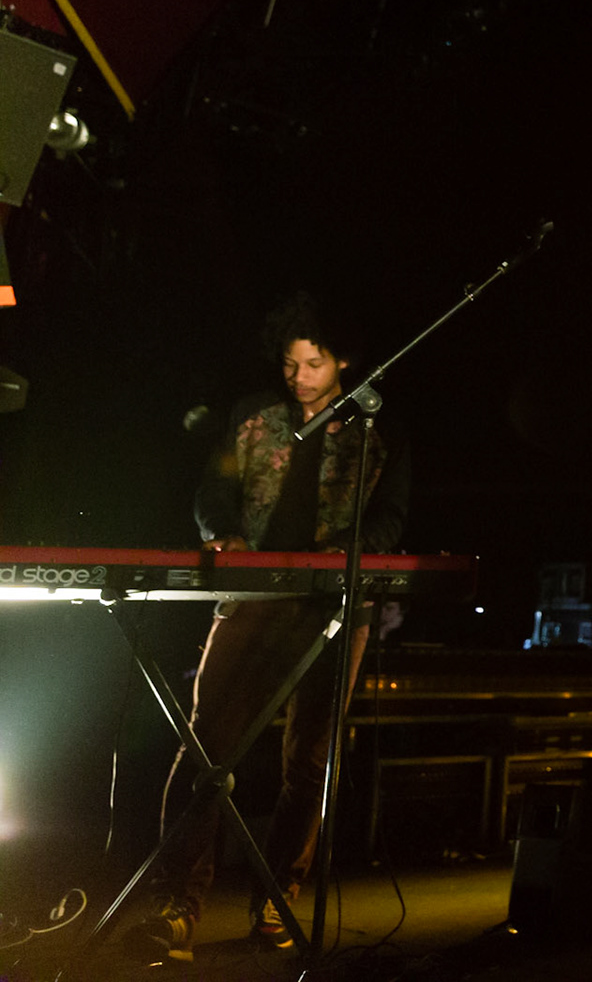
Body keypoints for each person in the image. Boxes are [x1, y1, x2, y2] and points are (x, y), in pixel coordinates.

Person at [130, 293, 409, 963]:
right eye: (289, 364)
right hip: (251, 596)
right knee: (207, 750)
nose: (299, 377)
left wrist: (342, 561)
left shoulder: (378, 430)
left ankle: (278, 899)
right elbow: (213, 491)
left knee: (309, 762)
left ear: (343, 361)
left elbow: (392, 519)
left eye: (312, 363)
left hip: (335, 609)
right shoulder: (252, 417)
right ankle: (179, 904)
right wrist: (218, 531)